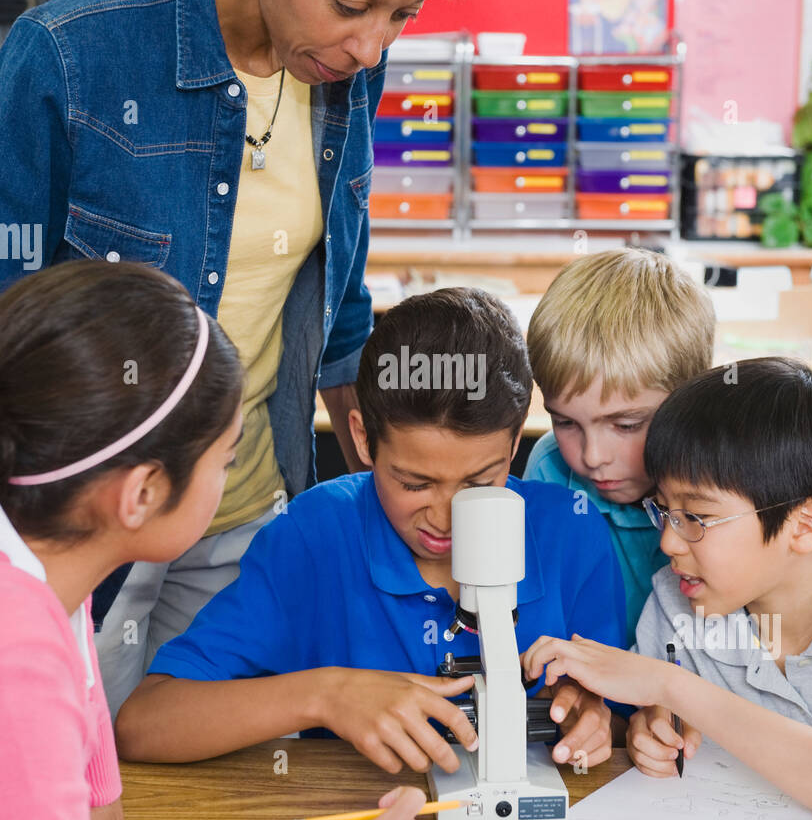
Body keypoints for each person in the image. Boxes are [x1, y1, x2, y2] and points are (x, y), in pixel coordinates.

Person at [0, 0, 489, 721]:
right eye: (352, 2)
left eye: (404, 14)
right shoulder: (68, 55)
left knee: (215, 817)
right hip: (88, 544)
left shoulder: (343, 75)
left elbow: (339, 298)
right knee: (70, 805)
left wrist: (384, 509)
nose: (370, 47)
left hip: (250, 523)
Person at [0, 259, 444, 820]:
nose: (234, 479)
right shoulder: (18, 660)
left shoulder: (45, 575)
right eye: (227, 457)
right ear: (140, 494)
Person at [115, 288, 626, 774]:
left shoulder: (570, 532)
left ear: (515, 441)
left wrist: (599, 717)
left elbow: (626, 717)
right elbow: (144, 724)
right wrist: (327, 694)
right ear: (362, 438)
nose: (446, 518)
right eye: (414, 482)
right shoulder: (315, 538)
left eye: (478, 481)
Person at [523, 359, 812, 820]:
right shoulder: (676, 598)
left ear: (804, 526)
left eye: (697, 518)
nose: (666, 543)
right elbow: (659, 719)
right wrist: (646, 729)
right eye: (664, 510)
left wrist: (671, 687)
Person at [524, 247, 715, 645]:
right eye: (564, 422)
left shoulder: (735, 482)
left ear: (692, 399)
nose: (592, 457)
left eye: (626, 424)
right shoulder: (548, 470)